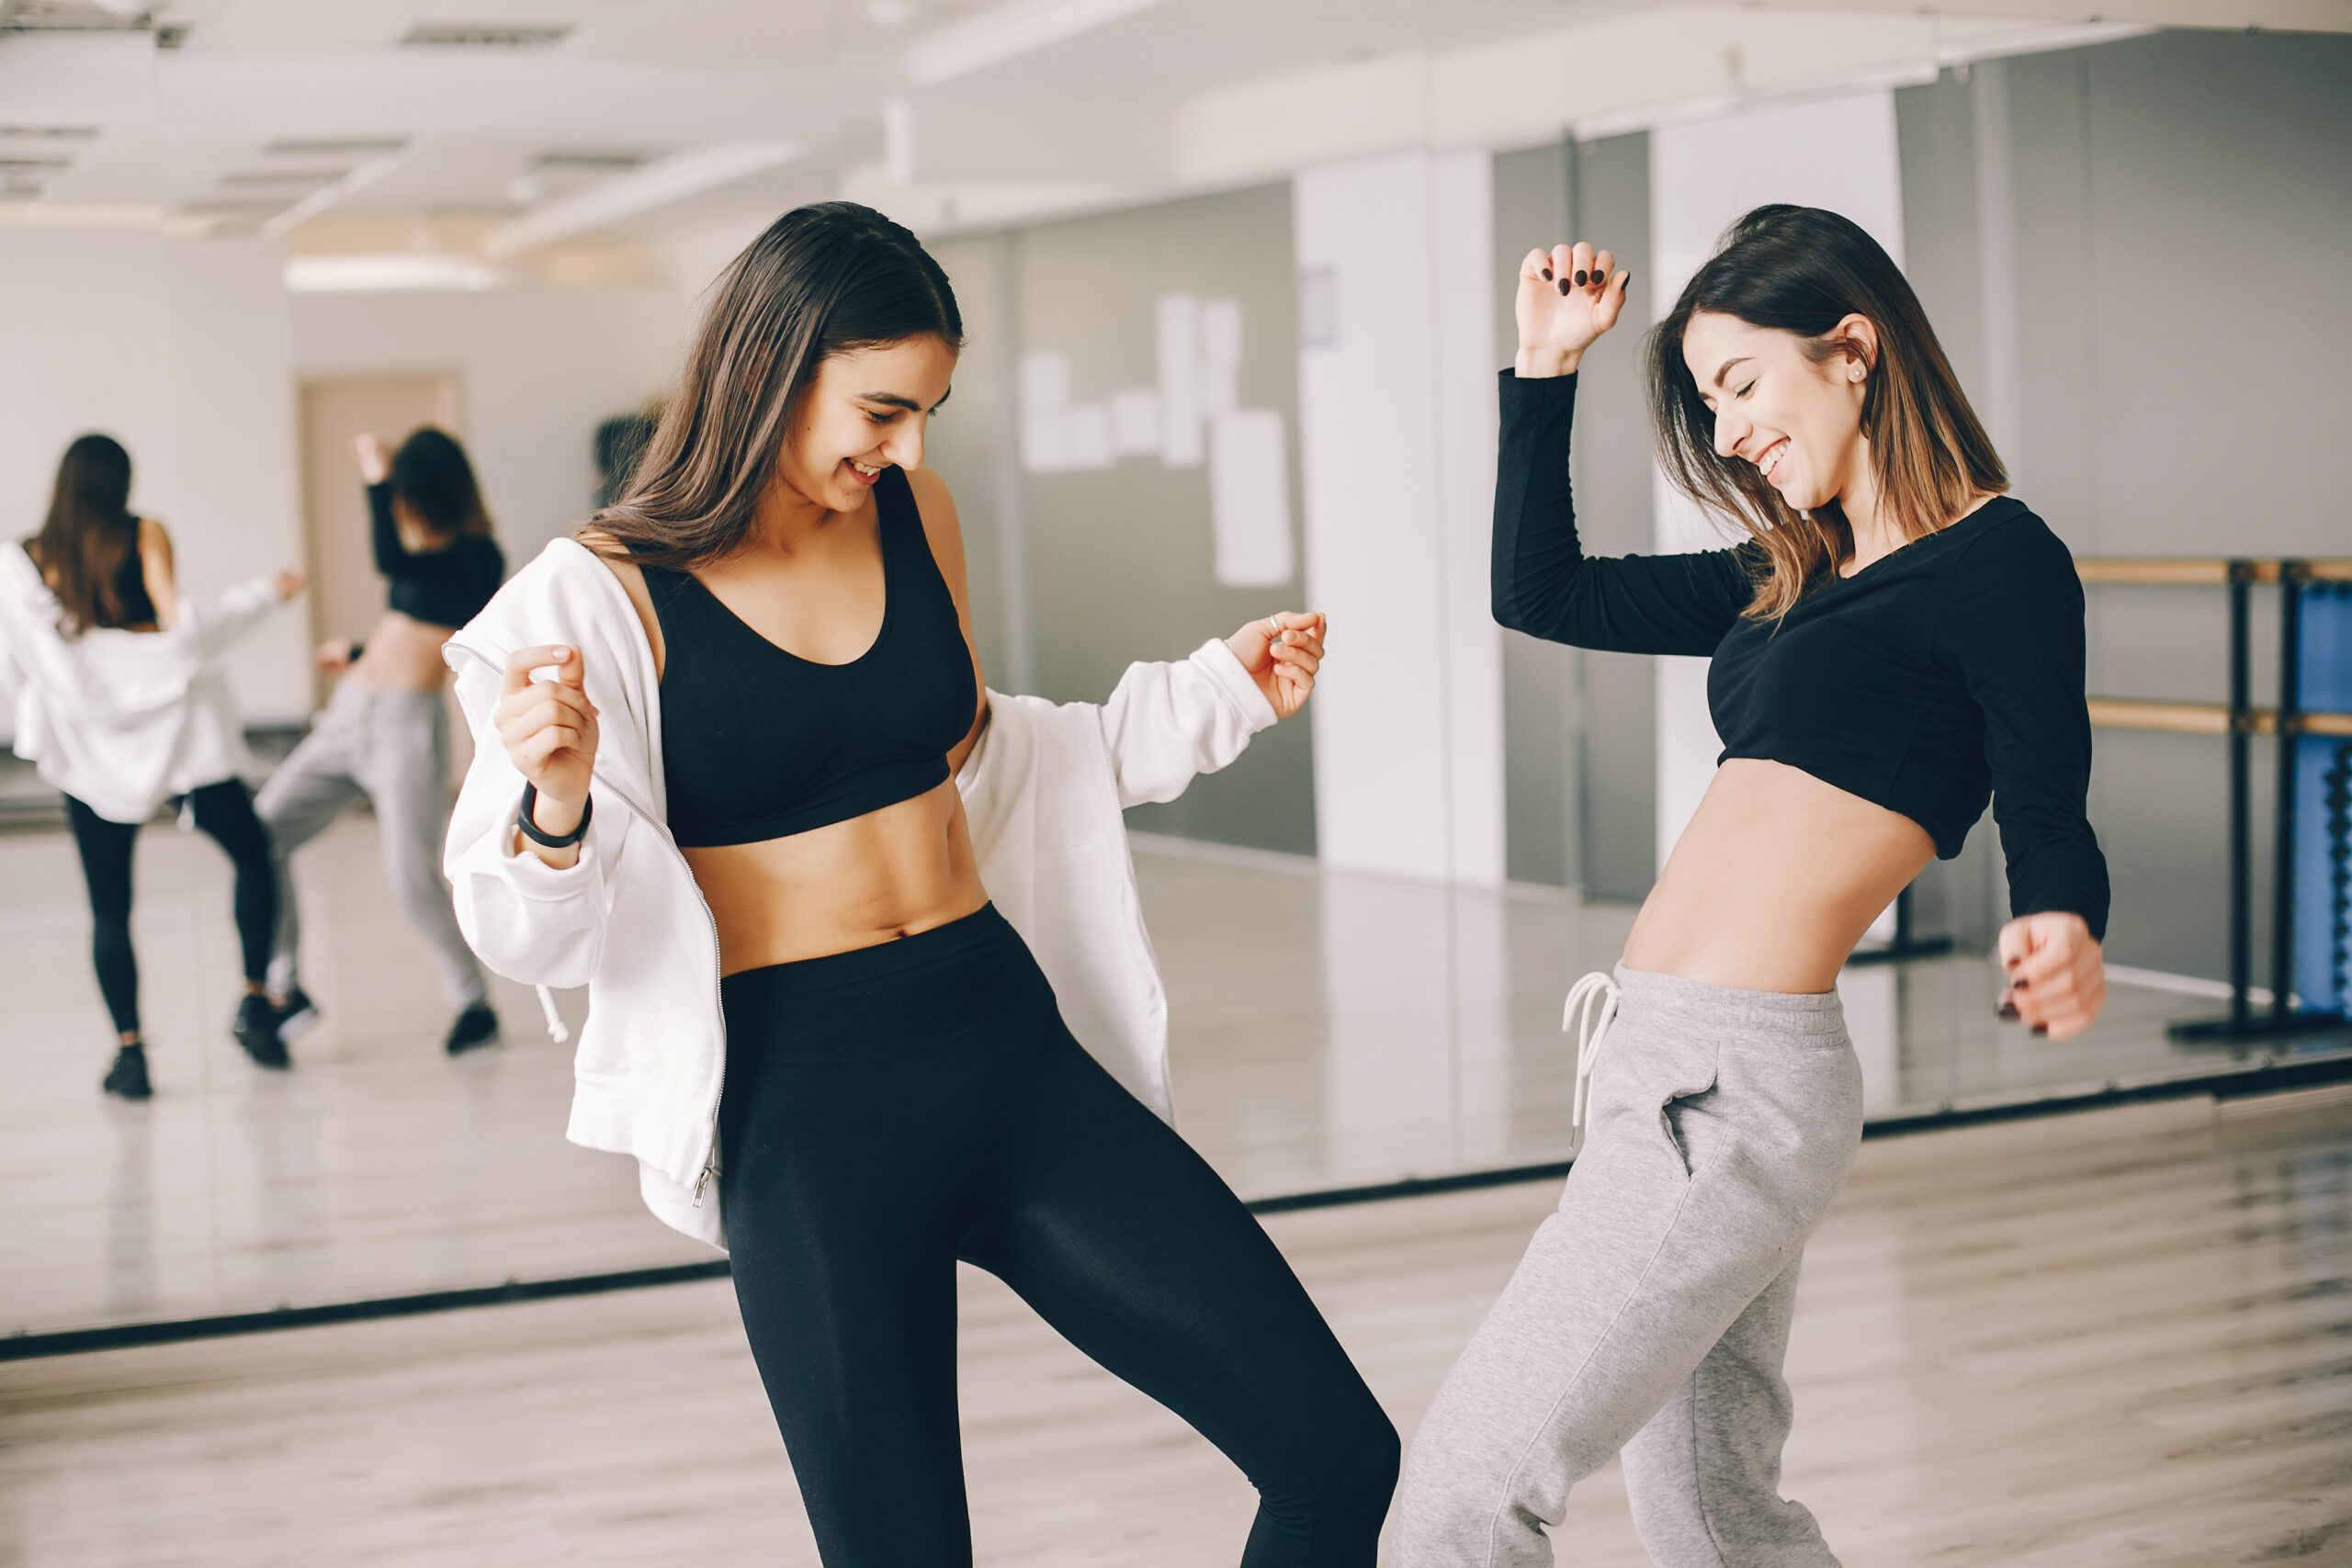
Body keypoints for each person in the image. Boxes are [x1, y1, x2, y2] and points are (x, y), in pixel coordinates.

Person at [437, 201, 1397, 1566]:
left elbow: (993, 761)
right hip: (806, 1108)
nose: (908, 448)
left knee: (1338, 1454)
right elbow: (525, 928)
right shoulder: (595, 594)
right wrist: (556, 798)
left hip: (1004, 1048)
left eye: (929, 411)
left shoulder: (911, 512)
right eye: (884, 409)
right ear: (772, 363)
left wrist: (1214, 694)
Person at [1391, 206, 2109, 1565]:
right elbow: (1540, 592)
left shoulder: (2002, 562)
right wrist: (1546, 369)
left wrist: (2064, 918)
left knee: (1462, 1489)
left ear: (1853, 349)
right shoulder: (1791, 566)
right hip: (1651, 1062)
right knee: (1720, 1515)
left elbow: (2045, 796)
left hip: (1725, 1090)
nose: (1725, 436)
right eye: (1707, 402)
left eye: (1739, 387)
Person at [0, 433, 305, 1098]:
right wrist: (264, 593)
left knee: (110, 909)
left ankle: (130, 1054)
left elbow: (29, 663)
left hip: (87, 751)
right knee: (253, 854)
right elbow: (179, 632)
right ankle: (256, 1003)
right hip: (180, 739)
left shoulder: (24, 559)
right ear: (122, 483)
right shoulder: (143, 534)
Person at [255, 427, 504, 1055]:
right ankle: (283, 986)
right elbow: (414, 621)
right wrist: (360, 651)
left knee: (410, 875)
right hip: (349, 715)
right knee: (263, 834)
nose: (401, 511)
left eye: (405, 499)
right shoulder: (441, 556)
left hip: (403, 729)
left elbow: (398, 571)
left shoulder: (480, 556)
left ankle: (473, 1001)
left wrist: (373, 474)